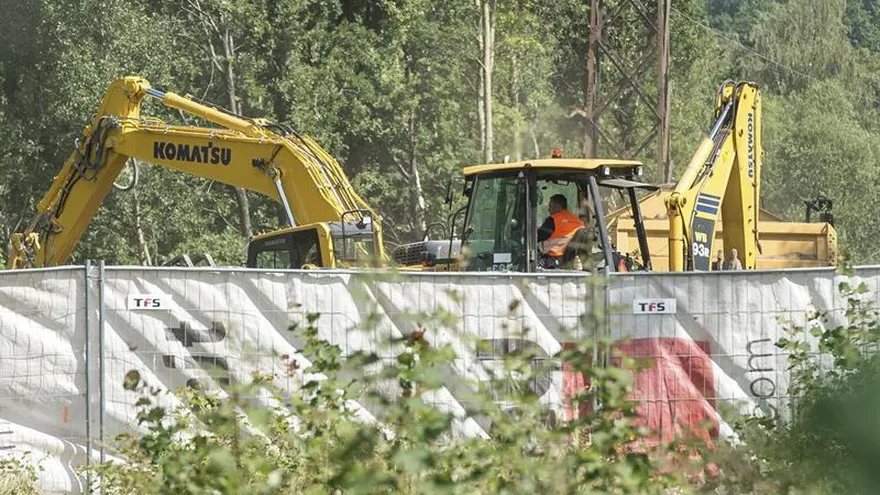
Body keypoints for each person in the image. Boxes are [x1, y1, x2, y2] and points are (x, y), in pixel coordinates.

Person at [537, 194, 585, 260]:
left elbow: (538, 236)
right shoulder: (579, 222)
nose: (548, 209)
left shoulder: (553, 220)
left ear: (558, 206)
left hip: (553, 260)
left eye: (550, 206)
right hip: (573, 260)